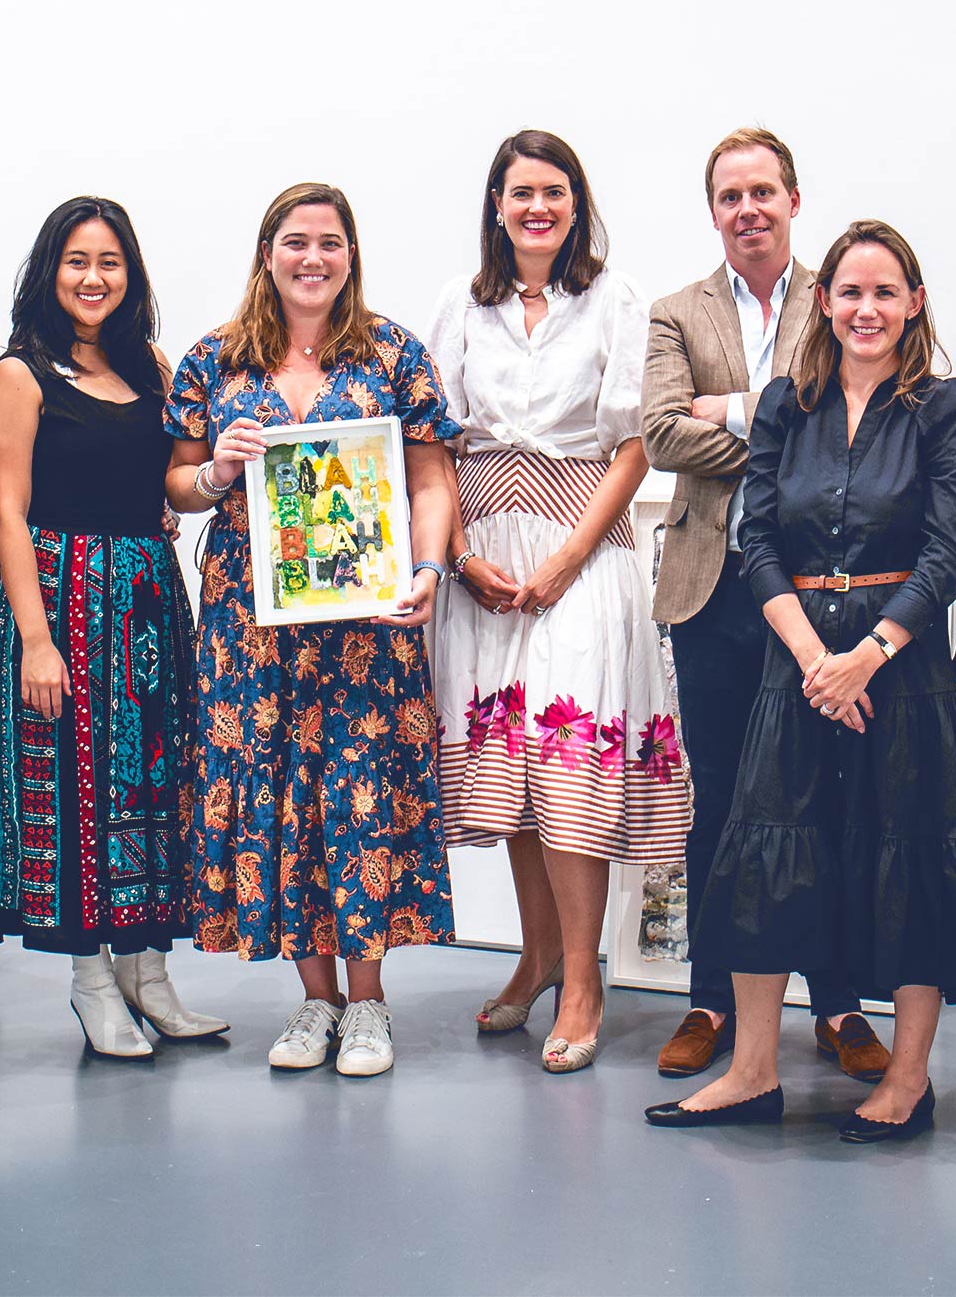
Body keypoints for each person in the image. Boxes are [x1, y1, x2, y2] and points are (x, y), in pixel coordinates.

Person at [649, 219, 956, 1142]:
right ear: (826, 301)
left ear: (914, 302)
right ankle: (753, 1070)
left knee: (912, 854)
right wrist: (814, 659)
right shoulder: (784, 406)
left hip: (900, 668)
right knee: (767, 858)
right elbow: (756, 538)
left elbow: (949, 549)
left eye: (886, 291)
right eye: (851, 291)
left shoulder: (948, 406)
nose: (867, 308)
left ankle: (908, 1079)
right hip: (797, 662)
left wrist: (868, 654)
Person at [163, 182, 459, 1078]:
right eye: (296, 242)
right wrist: (215, 470)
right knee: (278, 796)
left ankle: (368, 1004)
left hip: (366, 627)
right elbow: (172, 485)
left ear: (351, 254)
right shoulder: (214, 361)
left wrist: (430, 569)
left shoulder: (395, 353)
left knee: (358, 793)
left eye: (331, 243)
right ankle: (315, 999)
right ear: (268, 254)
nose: (313, 258)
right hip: (250, 626)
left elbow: (431, 482)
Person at [428, 130, 687, 1073]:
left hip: (584, 553)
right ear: (496, 204)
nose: (538, 206)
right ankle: (536, 957)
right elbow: (434, 445)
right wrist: (458, 554)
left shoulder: (615, 300)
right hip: (487, 557)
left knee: (571, 767)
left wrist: (572, 555)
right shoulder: (461, 306)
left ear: (577, 203)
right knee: (515, 777)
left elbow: (635, 444)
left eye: (555, 191)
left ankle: (585, 977)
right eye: (520, 191)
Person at [637, 129, 888, 1084]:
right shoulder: (674, 312)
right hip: (710, 589)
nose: (748, 209)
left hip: (818, 594)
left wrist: (730, 409)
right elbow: (661, 431)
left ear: (793, 198)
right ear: (714, 211)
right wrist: (778, 416)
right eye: (729, 195)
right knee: (721, 802)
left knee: (821, 794)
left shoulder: (842, 296)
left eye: (763, 191)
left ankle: (835, 1004)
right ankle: (711, 999)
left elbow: (848, 421)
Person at [0, 198, 226, 1058]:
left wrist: (220, 475)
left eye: (110, 262)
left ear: (132, 275)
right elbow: (5, 512)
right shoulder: (21, 374)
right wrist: (36, 639)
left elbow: (172, 488)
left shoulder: (151, 366)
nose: (94, 277)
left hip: (149, 603)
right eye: (78, 260)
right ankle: (90, 984)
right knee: (79, 793)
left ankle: (149, 975)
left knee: (154, 789)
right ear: (51, 270)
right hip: (64, 601)